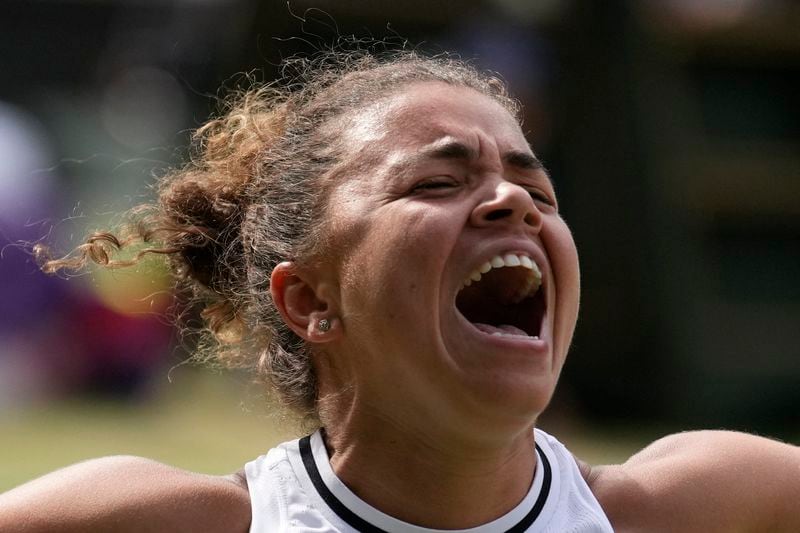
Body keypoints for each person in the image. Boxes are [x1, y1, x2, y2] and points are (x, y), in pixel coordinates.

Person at [1, 50, 798, 532]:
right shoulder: (158, 520)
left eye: (540, 193)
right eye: (439, 179)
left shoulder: (713, 506)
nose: (515, 201)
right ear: (310, 299)